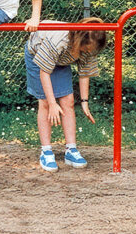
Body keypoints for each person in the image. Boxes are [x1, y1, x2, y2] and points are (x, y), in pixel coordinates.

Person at [25, 17, 107, 172]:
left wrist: (84, 102)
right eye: (87, 49)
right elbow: (44, 72)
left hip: (62, 60)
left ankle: (71, 150)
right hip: (38, 56)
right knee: (45, 102)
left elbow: (85, 73)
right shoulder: (59, 40)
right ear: (79, 40)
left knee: (68, 100)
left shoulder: (91, 42)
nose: (89, 52)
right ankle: (46, 152)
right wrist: (52, 103)